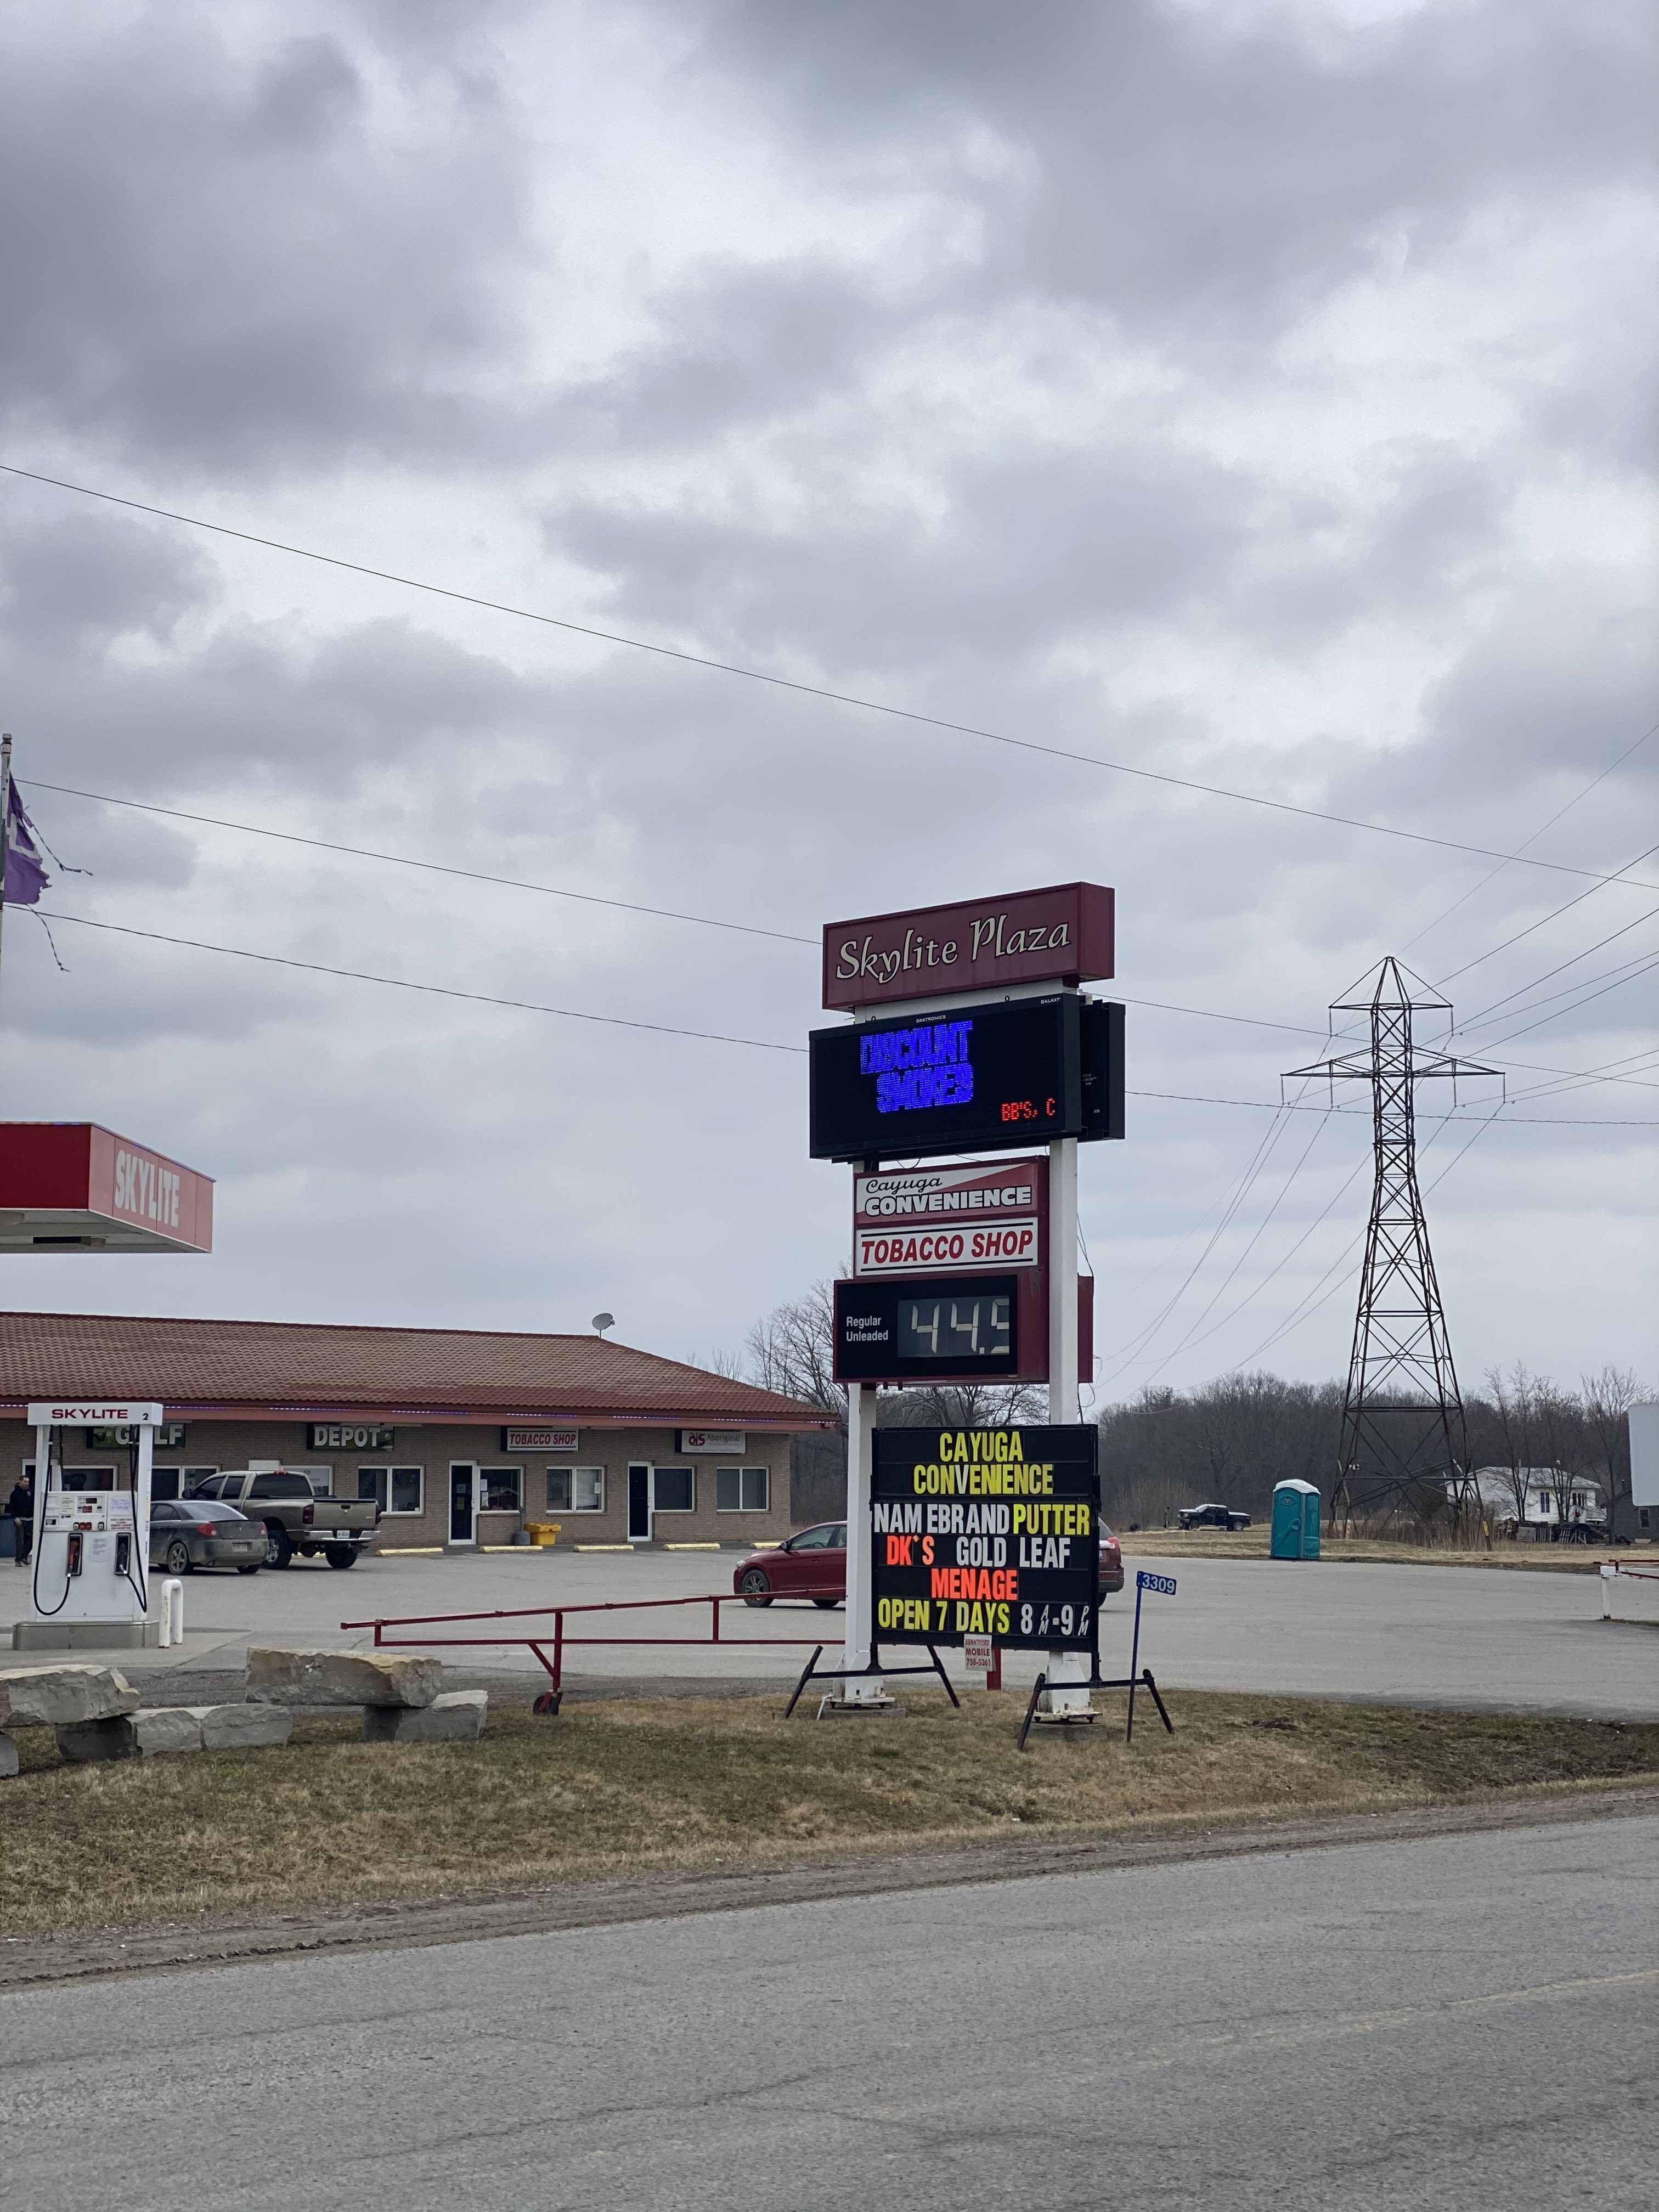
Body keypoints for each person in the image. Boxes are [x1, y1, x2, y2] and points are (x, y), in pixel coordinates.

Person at [7, 1469, 33, 1567]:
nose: (27, 1484)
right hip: (20, 1520)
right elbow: (12, 1507)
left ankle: (24, 1556)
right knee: (20, 1541)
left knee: (31, 1540)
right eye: (25, 1482)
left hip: (31, 1520)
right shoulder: (15, 1494)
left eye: (28, 1482)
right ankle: (18, 1560)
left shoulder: (31, 1492)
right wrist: (15, 1518)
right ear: (20, 1482)